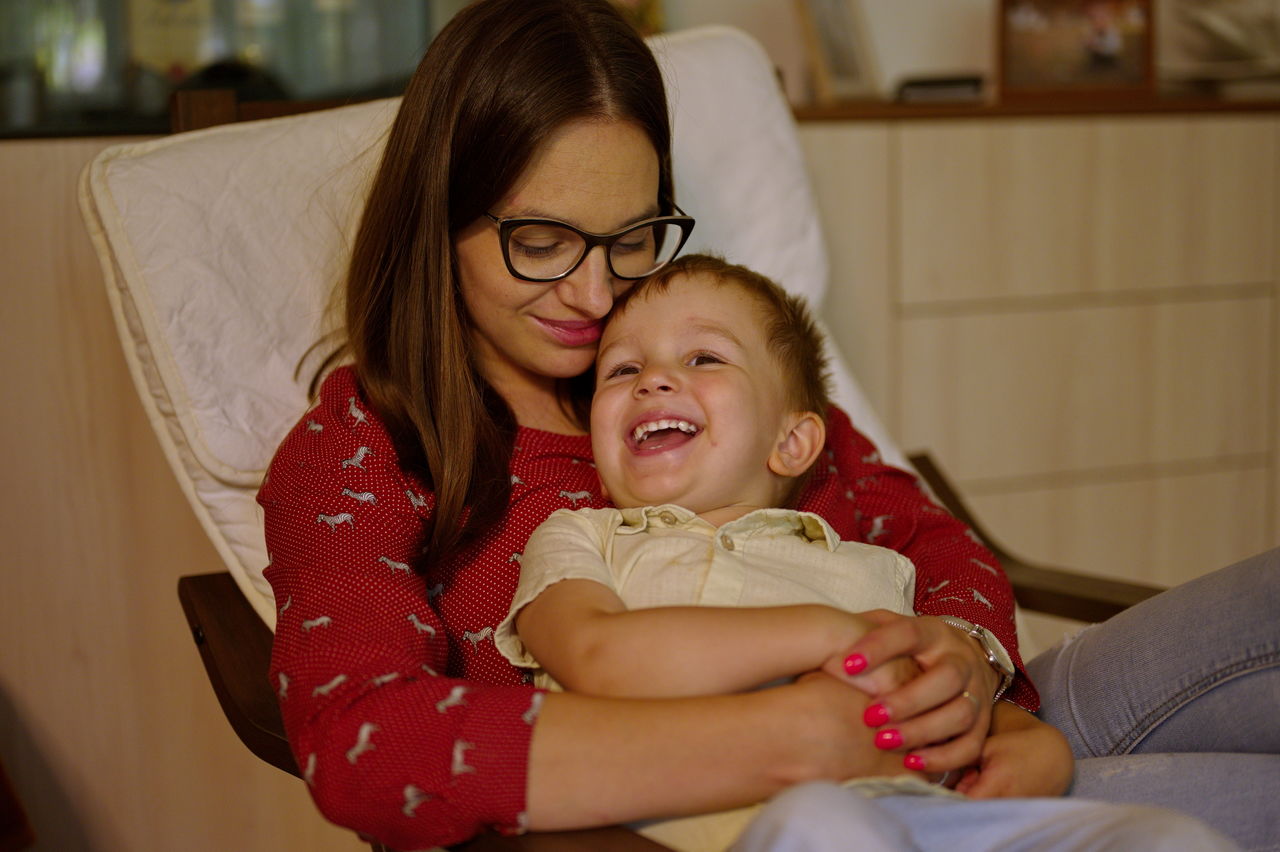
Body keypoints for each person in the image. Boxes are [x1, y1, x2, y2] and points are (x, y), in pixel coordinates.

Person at [257, 1, 1279, 850]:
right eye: (538, 240)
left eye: (630, 239)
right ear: (437, 214)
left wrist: (967, 669)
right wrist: (791, 738)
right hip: (750, 807)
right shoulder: (361, 450)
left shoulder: (693, 357)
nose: (591, 290)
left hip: (944, 747)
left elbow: (922, 536)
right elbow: (364, 742)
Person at [495, 255, 1239, 851]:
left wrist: (1022, 736)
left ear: (793, 442)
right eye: (621, 371)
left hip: (922, 815)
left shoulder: (868, 568)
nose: (655, 377)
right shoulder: (581, 538)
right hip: (748, 826)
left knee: (1167, 835)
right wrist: (825, 634)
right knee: (824, 824)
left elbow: (937, 700)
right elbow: (597, 655)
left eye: (703, 358)